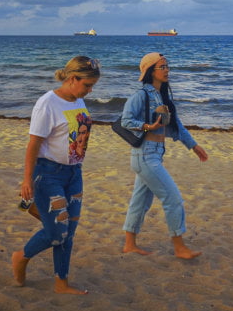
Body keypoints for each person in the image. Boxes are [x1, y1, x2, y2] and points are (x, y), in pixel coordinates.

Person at [11, 56, 100, 294]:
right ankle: (21, 256)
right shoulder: (47, 103)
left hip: (74, 174)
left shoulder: (78, 100)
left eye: (93, 86)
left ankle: (62, 283)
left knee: (68, 233)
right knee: (56, 234)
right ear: (72, 79)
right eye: (87, 85)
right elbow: (33, 144)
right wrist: (27, 180)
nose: (90, 91)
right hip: (49, 175)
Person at [121, 52, 208, 259]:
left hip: (154, 155)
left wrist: (193, 146)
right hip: (144, 156)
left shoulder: (162, 96)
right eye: (162, 67)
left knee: (140, 202)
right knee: (173, 198)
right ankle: (179, 247)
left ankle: (129, 245)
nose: (167, 70)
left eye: (168, 66)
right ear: (150, 71)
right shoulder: (140, 95)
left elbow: (176, 125)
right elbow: (125, 120)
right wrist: (146, 126)